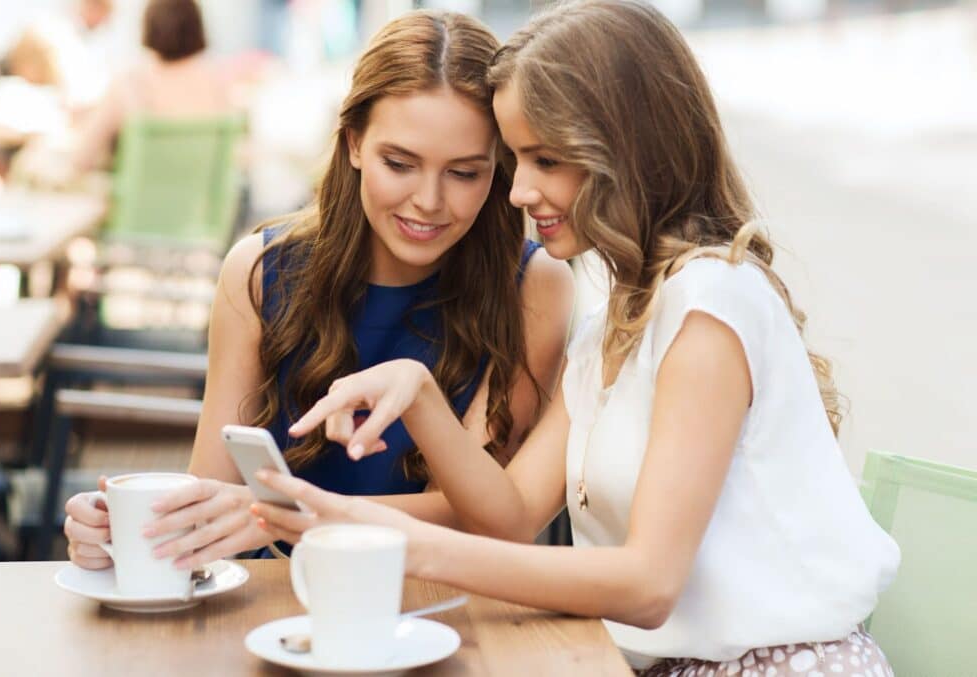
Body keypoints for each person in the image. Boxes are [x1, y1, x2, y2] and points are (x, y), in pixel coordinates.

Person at [251, 1, 901, 674]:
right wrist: (418, 394)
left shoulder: (710, 305)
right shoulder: (611, 329)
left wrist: (400, 542)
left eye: (545, 159)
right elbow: (512, 514)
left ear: (627, 149)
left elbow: (648, 584)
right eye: (516, 160)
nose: (518, 191)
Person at [62, 10, 573, 571]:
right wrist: (120, 529)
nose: (429, 200)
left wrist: (279, 514)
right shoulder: (261, 271)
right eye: (399, 163)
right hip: (271, 604)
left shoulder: (534, 286)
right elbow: (211, 488)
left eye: (465, 173)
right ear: (353, 143)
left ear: (498, 169)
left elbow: (485, 520)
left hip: (438, 606)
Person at [70, 0, 234, 171]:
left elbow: (81, 158)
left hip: (140, 197)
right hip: (203, 198)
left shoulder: (130, 84)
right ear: (198, 28)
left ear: (148, 27)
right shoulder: (217, 84)